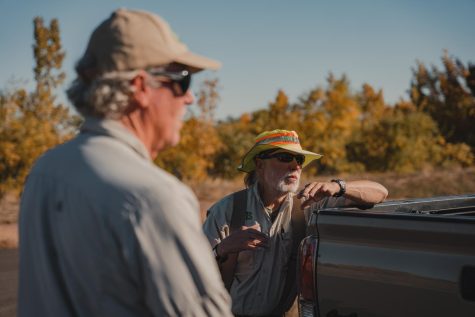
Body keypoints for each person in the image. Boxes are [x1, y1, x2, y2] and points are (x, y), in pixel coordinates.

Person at [18, 8, 232, 317]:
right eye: (182, 81)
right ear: (141, 87)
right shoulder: (154, 197)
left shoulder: (44, 170)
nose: (190, 99)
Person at [203, 129, 388, 316]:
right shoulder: (227, 210)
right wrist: (223, 249)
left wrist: (337, 186)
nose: (295, 166)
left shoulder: (309, 203)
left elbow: (380, 192)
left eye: (299, 160)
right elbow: (190, 271)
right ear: (259, 165)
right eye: (284, 157)